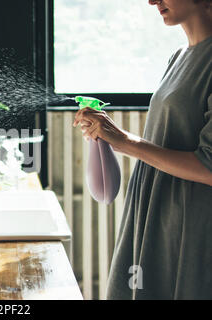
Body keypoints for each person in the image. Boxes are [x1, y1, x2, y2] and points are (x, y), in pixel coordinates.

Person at [73, 0, 212, 299]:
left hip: (192, 229)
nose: (152, 0)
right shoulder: (178, 57)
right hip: (156, 213)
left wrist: (124, 140)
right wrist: (109, 133)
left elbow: (208, 166)